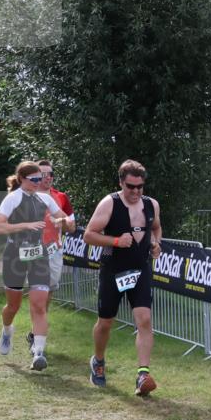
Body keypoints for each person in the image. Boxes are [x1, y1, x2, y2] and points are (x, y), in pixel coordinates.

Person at [83, 159, 163, 395]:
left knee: (145, 320)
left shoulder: (151, 205)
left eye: (140, 186)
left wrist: (156, 243)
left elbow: (156, 227)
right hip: (114, 270)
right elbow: (89, 235)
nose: (136, 191)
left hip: (140, 269)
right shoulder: (110, 203)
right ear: (121, 182)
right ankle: (98, 361)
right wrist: (116, 241)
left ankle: (143, 374)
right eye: (131, 186)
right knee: (106, 322)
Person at [0, 161, 74, 371]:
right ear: (22, 179)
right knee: (13, 306)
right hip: (14, 255)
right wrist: (25, 225)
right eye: (35, 179)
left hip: (39, 254)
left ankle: (38, 353)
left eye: (41, 178)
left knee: (39, 304)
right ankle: (7, 330)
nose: (40, 182)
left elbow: (67, 221)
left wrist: (62, 222)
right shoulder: (12, 199)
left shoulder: (45, 198)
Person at [25, 159, 75, 352]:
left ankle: (34, 331)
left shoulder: (61, 197)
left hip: (54, 251)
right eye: (43, 174)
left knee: (47, 296)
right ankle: (38, 341)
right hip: (33, 251)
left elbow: (72, 226)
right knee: (38, 294)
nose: (47, 178)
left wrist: (61, 221)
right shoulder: (26, 196)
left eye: (50, 174)